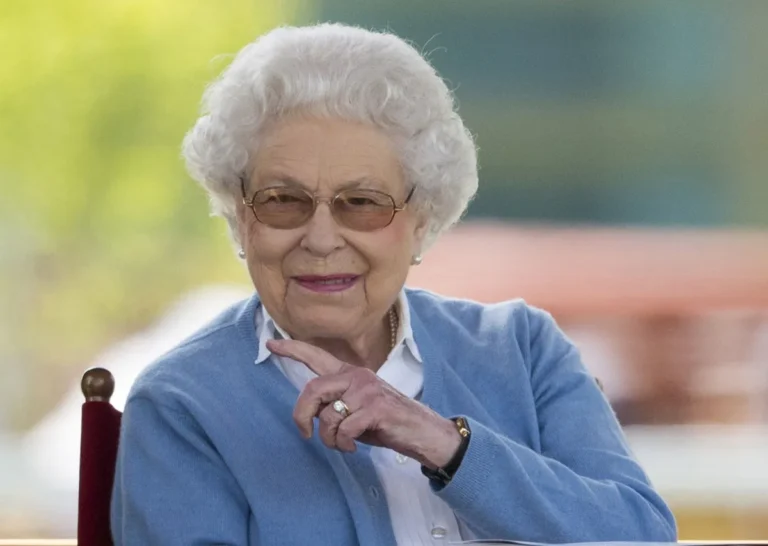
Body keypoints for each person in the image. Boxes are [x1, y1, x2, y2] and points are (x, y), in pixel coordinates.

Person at [111, 23, 677, 545]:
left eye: (362, 202)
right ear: (241, 218)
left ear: (421, 220)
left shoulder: (523, 351)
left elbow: (641, 533)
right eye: (283, 200)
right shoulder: (182, 404)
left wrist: (443, 443)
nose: (321, 239)